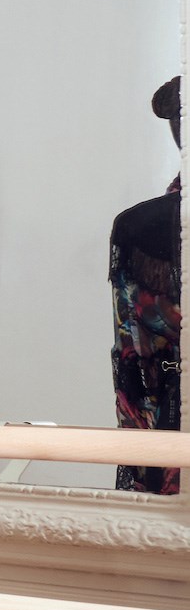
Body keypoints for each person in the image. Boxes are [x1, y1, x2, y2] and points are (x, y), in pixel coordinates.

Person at [110, 76, 182, 496]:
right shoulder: (141, 226)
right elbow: (132, 361)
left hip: (165, 429)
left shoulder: (137, 224)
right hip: (171, 427)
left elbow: (132, 362)